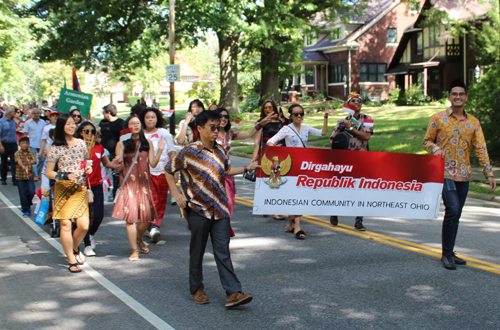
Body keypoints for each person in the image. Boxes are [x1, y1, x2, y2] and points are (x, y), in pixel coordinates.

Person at [165, 110, 258, 308]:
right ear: (199, 129)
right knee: (197, 251)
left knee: (223, 250)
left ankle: (233, 293)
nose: (217, 131)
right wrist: (176, 193)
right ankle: (197, 288)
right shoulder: (189, 151)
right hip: (198, 209)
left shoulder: (221, 150)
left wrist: (247, 168)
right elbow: (168, 169)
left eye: (219, 127)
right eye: (212, 127)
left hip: (221, 208)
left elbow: (225, 171)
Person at [423, 79, 496, 270]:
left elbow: (480, 148)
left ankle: (450, 251)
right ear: (449, 97)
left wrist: (489, 173)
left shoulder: (473, 122)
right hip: (445, 172)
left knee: (457, 215)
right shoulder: (437, 118)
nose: (457, 97)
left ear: (466, 98)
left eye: (461, 94)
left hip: (464, 174)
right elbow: (426, 141)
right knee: (452, 210)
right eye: (454, 94)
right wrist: (435, 148)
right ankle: (446, 254)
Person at [267, 103, 332, 239]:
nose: (299, 116)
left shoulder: (306, 128)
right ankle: (297, 227)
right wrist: (277, 149)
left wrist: (325, 117)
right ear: (290, 116)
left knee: (301, 197)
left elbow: (323, 133)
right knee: (297, 196)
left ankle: (290, 223)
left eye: (301, 113)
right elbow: (270, 142)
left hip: (304, 166)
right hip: (291, 166)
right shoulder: (286, 129)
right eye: (296, 114)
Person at [111, 116, 166, 261]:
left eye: (137, 123)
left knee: (146, 219)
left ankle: (139, 238)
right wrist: (118, 161)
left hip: (144, 184)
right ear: (127, 126)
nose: (135, 125)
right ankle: (135, 250)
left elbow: (153, 164)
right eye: (131, 123)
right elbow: (120, 167)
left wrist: (160, 150)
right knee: (130, 219)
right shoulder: (121, 143)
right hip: (129, 184)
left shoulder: (147, 142)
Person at [46, 113, 92, 273]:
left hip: (79, 189)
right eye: (68, 124)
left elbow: (86, 161)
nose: (72, 126)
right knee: (65, 225)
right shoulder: (55, 147)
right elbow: (48, 172)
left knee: (84, 226)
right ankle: (71, 260)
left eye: (73, 123)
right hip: (63, 189)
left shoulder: (81, 143)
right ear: (61, 127)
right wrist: (65, 175)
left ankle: (74, 247)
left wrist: (88, 168)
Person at [214, 107, 276, 218]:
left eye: (226, 116)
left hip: (228, 173)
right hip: (213, 174)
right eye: (220, 116)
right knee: (219, 205)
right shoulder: (211, 134)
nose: (223, 119)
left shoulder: (229, 133)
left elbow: (249, 133)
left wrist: (261, 124)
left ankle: (223, 230)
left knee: (229, 203)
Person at [328, 92, 373, 231]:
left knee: (361, 190)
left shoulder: (367, 119)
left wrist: (351, 128)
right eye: (353, 101)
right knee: (342, 188)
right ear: (348, 103)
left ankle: (359, 220)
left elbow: (366, 136)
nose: (357, 103)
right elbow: (331, 139)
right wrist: (339, 145)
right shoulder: (342, 121)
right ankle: (334, 211)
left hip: (362, 159)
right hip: (345, 160)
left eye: (359, 101)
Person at [75, 122, 119, 256]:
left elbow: (106, 163)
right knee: (85, 216)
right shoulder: (76, 147)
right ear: (81, 133)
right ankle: (87, 245)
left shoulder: (99, 147)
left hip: (96, 185)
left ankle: (91, 234)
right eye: (86, 131)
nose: (89, 134)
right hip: (81, 186)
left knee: (99, 215)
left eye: (92, 132)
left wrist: (117, 165)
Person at [139, 107, 176, 243]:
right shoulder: (140, 134)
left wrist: (175, 170)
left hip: (163, 172)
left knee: (160, 201)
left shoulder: (164, 133)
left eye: (153, 117)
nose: (150, 120)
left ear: (157, 119)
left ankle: (154, 226)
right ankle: (150, 225)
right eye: (147, 117)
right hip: (145, 173)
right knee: (149, 201)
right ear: (143, 119)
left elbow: (171, 152)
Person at [251, 100, 287, 220]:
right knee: (269, 181)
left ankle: (271, 207)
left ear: (274, 109)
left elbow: (285, 138)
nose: (267, 110)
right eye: (265, 108)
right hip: (267, 154)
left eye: (270, 108)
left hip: (280, 154)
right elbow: (256, 142)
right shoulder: (261, 123)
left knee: (278, 182)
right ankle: (270, 208)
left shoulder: (280, 122)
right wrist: (254, 159)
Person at [99, 104, 125, 199]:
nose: (103, 114)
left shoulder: (121, 123)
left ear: (108, 113)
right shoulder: (103, 123)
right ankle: (104, 194)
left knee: (116, 174)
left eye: (104, 112)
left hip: (116, 152)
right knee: (102, 174)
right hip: (104, 152)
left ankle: (116, 195)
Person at [22, 108, 46, 182]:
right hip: (32, 143)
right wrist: (25, 143)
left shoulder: (43, 122)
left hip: (41, 144)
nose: (36, 115)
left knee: (41, 160)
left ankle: (37, 173)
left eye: (38, 113)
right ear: (32, 114)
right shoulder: (28, 122)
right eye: (35, 113)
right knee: (34, 160)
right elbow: (25, 133)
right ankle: (35, 175)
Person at [15, 137, 37, 216]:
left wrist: (32, 161)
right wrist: (23, 166)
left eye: (26, 143)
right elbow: (18, 161)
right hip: (20, 176)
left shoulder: (31, 153)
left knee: (32, 191)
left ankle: (28, 202)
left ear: (29, 144)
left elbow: (35, 161)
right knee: (22, 193)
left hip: (29, 175)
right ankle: (25, 209)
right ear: (20, 144)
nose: (24, 145)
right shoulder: (17, 153)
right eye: (23, 143)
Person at [0, 106, 19, 186]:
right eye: (13, 111)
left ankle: (15, 179)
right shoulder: (2, 121)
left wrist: (16, 144)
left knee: (14, 161)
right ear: (9, 112)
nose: (14, 113)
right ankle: (4, 178)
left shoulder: (12, 121)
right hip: (4, 144)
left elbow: (14, 133)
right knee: (4, 162)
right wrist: (0, 146)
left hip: (13, 143)